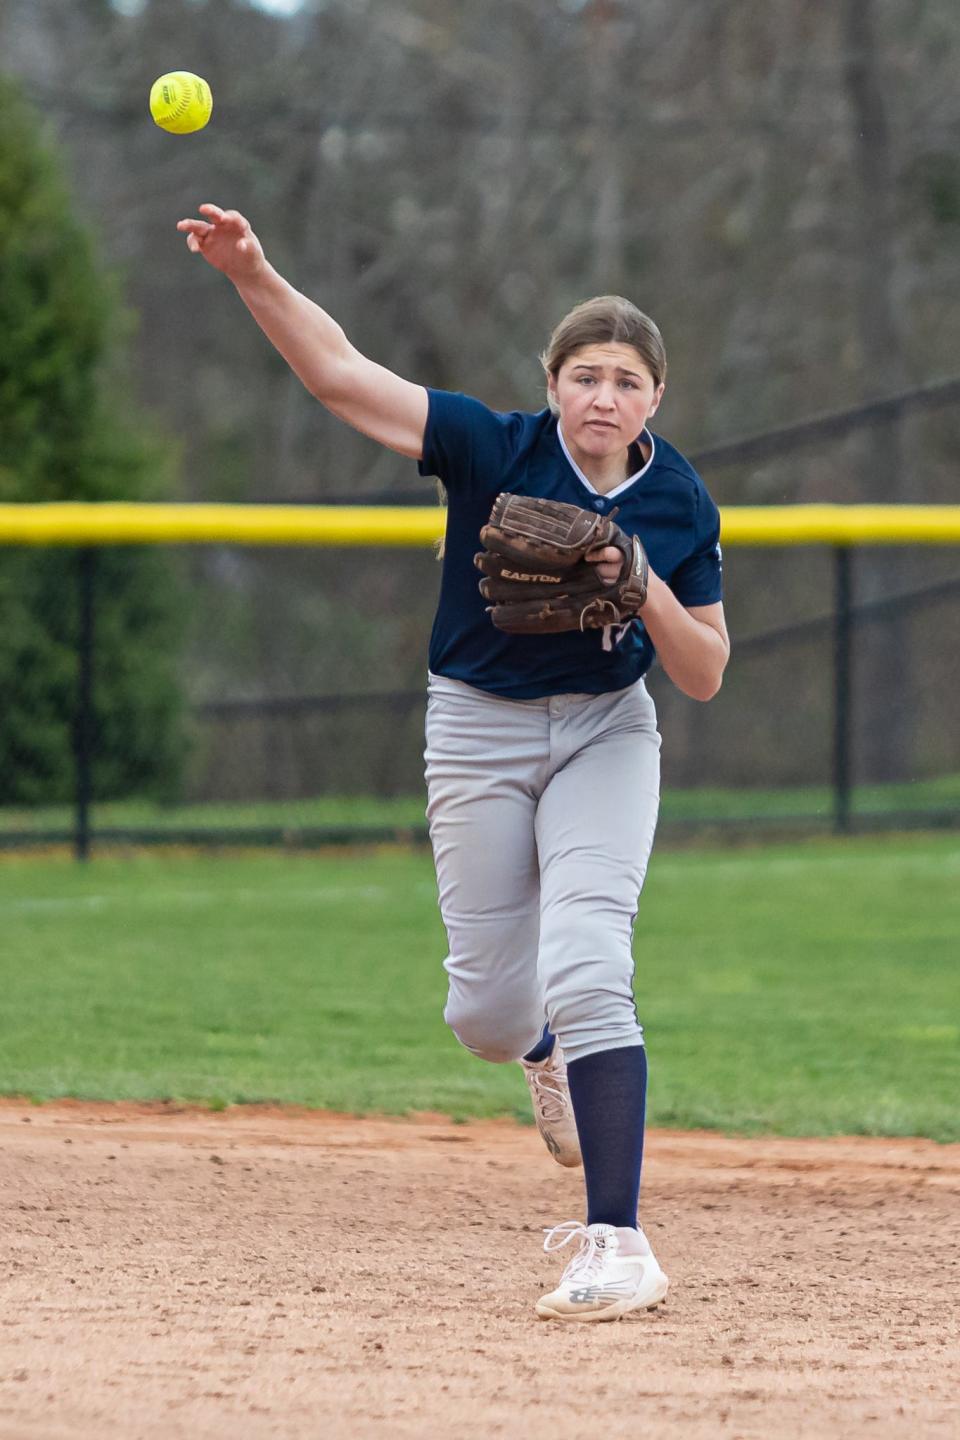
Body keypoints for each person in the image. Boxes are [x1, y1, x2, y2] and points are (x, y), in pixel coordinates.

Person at [177, 204, 730, 1322]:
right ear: (554, 383)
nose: (602, 396)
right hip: (476, 724)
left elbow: (708, 670)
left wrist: (640, 577)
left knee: (588, 957)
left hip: (604, 734)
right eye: (584, 374)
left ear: (653, 400)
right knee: (483, 1013)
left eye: (625, 379)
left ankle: (618, 1239)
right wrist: (254, 272)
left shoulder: (677, 501)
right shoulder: (492, 444)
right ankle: (536, 1051)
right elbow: (341, 376)